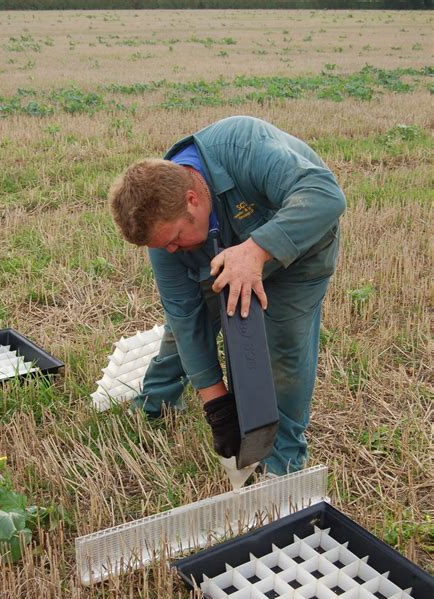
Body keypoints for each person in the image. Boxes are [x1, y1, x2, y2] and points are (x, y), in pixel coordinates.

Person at [109, 115, 346, 475]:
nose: (170, 250)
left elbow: (326, 195)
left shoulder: (243, 146)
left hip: (298, 248)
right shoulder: (164, 235)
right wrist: (217, 406)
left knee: (282, 350)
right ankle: (155, 405)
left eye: (173, 239)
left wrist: (256, 250)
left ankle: (283, 462)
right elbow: (186, 318)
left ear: (192, 199)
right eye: (163, 245)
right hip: (221, 255)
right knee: (182, 330)